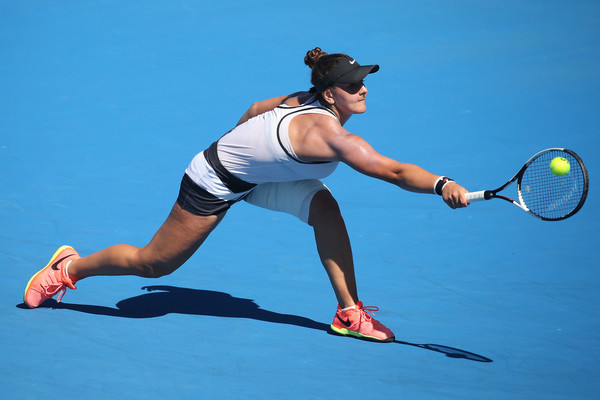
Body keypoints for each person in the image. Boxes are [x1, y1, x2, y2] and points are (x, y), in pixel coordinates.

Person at [23, 47, 469, 343]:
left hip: (260, 176)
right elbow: (391, 170)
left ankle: (348, 313)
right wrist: (442, 183)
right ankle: (69, 268)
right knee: (155, 263)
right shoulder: (332, 137)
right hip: (213, 182)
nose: (363, 88)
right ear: (330, 93)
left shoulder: (301, 98)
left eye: (364, 80)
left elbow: (257, 109)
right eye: (353, 84)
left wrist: (249, 149)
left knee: (326, 209)